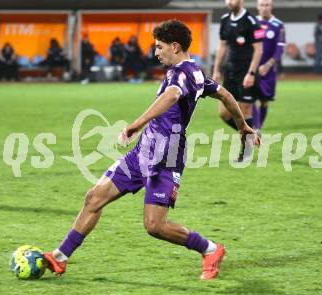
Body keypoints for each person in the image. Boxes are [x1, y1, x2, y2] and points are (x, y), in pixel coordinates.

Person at [43, 19, 260, 280]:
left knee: (154, 226)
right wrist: (242, 126)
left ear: (175, 47)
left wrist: (136, 123)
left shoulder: (183, 74)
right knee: (94, 197)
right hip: (143, 151)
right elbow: (224, 94)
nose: (156, 53)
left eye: (159, 47)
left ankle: (211, 249)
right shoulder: (196, 73)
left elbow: (170, 96)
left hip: (166, 157)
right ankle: (60, 257)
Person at [212, 0, 264, 161]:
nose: (229, 2)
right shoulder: (224, 20)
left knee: (245, 110)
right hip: (231, 72)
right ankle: (251, 132)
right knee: (223, 113)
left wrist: (251, 73)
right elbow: (222, 46)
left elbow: (258, 49)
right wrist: (216, 70)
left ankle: (245, 154)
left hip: (247, 72)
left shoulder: (251, 21)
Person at [251, 0, 285, 132]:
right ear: (257, 7)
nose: (264, 8)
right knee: (251, 98)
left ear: (271, 7)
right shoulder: (253, 23)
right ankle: (257, 128)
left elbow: (280, 49)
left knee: (264, 101)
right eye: (262, 5)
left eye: (267, 5)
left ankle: (259, 126)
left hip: (269, 70)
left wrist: (268, 65)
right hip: (253, 68)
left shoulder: (278, 25)